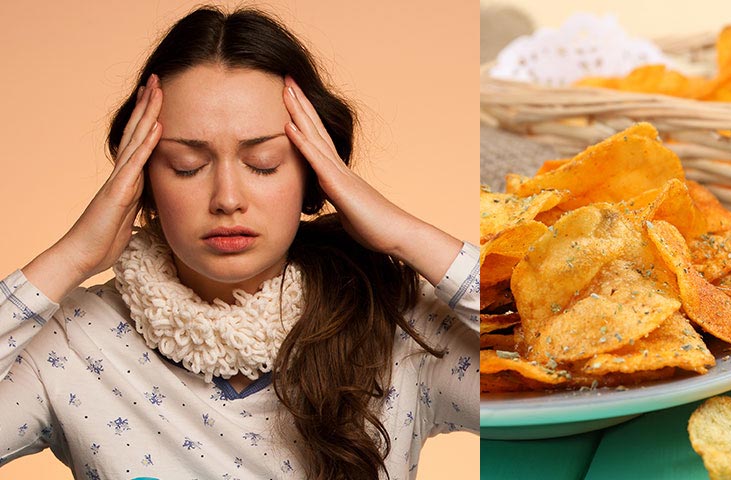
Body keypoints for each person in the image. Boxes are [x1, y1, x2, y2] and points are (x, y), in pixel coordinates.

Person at [0, 6, 478, 480]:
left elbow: (545, 358)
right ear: (140, 180)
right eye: (187, 166)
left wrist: (405, 234)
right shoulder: (74, 343)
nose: (227, 198)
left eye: (264, 163)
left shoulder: (399, 322)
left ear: (316, 177)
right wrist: (71, 257)